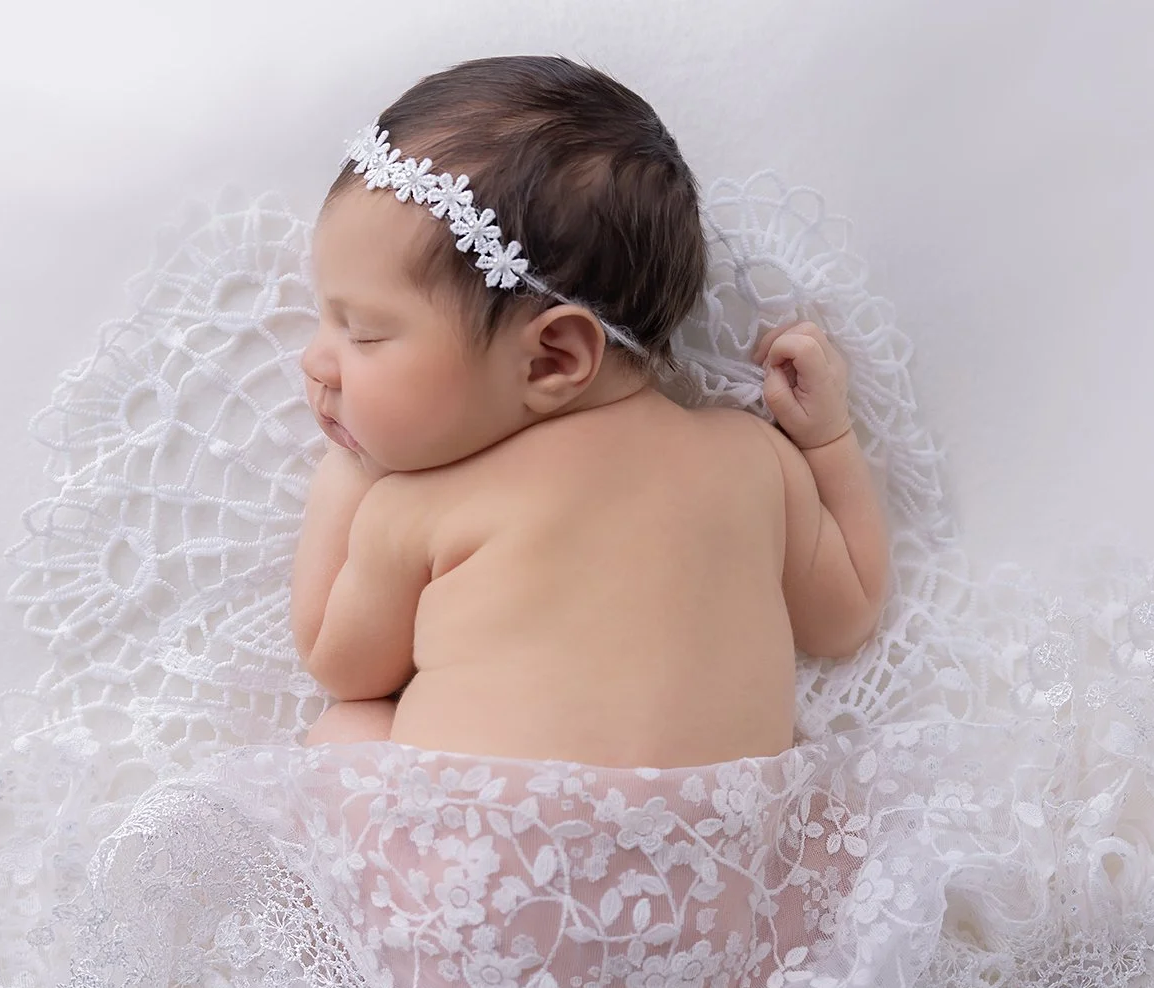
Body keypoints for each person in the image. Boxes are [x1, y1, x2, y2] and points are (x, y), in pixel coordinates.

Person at [290, 54, 890, 770]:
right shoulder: (754, 458)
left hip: (491, 862)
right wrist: (827, 439)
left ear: (552, 359)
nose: (316, 362)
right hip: (720, 864)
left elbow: (339, 663)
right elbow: (848, 614)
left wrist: (351, 466)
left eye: (362, 334)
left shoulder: (421, 505)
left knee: (343, 732)